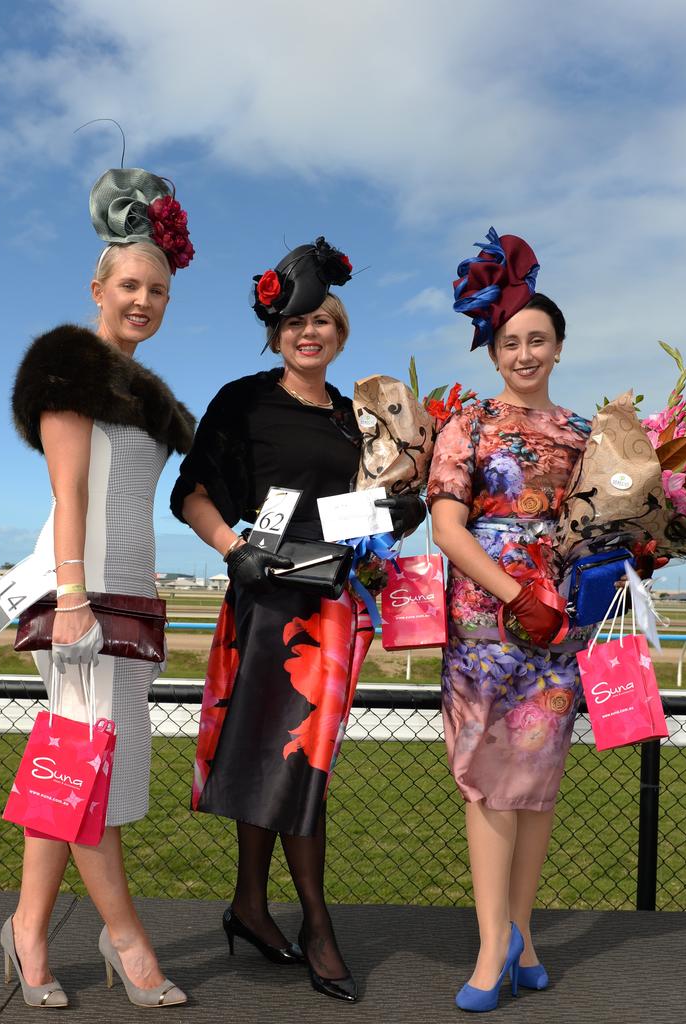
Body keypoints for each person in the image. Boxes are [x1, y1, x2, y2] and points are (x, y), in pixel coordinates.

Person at [170, 237, 423, 1003]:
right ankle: (313, 921)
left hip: (334, 604)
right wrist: (231, 547)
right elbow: (192, 492)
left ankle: (253, 905)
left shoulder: (360, 418)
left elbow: (367, 508)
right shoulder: (242, 400)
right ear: (275, 333)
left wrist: (401, 510)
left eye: (323, 322)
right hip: (265, 596)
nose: (309, 333)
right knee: (275, 753)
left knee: (297, 755)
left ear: (341, 334)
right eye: (295, 322)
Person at [6, 166, 195, 1008]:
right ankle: (126, 940)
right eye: (130, 284)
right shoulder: (68, 369)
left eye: (157, 288)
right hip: (79, 590)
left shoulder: (147, 395)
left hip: (123, 590)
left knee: (71, 763)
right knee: (96, 770)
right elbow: (70, 492)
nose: (143, 300)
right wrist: (76, 598)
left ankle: (27, 930)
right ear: (98, 286)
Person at [427, 228, 592, 1012]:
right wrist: (514, 592)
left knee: (536, 779)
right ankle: (493, 941)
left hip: (560, 630)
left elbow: (602, 525)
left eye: (538, 340)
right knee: (488, 784)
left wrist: (632, 551)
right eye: (511, 342)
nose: (524, 353)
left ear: (558, 348)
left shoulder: (587, 437)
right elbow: (448, 528)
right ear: (493, 353)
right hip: (484, 629)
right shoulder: (470, 424)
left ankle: (521, 933)